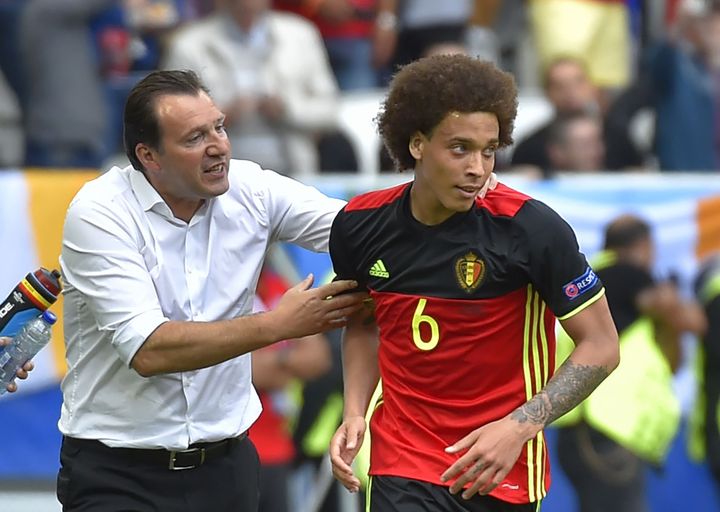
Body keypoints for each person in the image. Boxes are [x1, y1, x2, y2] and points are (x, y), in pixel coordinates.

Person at [55, 69, 367, 512]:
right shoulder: (99, 212)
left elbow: (361, 230)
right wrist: (278, 325)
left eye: (219, 126)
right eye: (194, 137)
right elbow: (149, 351)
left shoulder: (253, 187)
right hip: (117, 475)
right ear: (149, 156)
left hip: (227, 469)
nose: (219, 145)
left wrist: (462, 200)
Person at [327, 54, 620, 511]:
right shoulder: (360, 224)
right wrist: (354, 412)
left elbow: (602, 345)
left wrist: (520, 427)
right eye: (460, 148)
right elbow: (364, 323)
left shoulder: (530, 229)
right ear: (418, 143)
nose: (478, 168)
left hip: (499, 470)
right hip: (402, 462)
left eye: (489, 150)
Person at [555, 214, 707, 512]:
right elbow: (691, 321)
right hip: (607, 430)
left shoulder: (590, 279)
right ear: (643, 246)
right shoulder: (626, 271)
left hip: (581, 430)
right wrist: (673, 301)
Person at [162, 0, 340, 176]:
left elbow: (330, 110)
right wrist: (217, 118)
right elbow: (170, 120)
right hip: (216, 172)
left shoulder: (301, 34)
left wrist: (287, 110)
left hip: (293, 167)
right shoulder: (188, 44)